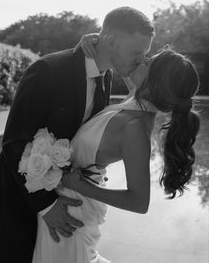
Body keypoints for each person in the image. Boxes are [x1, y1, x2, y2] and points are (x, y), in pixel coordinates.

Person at [0, 6, 155, 263]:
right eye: (137, 52)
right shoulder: (47, 70)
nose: (140, 59)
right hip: (18, 201)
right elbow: (14, 142)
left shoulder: (106, 76)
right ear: (111, 40)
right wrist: (47, 205)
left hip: (63, 198)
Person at [32, 47, 200, 263]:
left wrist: (79, 186)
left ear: (155, 83)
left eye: (149, 62)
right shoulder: (137, 99)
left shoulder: (135, 128)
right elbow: (121, 64)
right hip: (62, 200)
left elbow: (139, 202)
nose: (143, 58)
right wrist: (90, 43)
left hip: (73, 212)